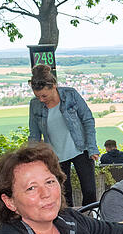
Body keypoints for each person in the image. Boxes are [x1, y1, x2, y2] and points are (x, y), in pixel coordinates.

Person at [27, 64, 100, 207]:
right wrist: (31, 158)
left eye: (44, 95)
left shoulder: (71, 95)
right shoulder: (34, 105)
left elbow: (88, 120)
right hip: (56, 156)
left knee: (90, 191)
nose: (41, 99)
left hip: (81, 149)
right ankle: (70, 224)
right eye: (37, 96)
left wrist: (92, 147)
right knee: (64, 195)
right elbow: (34, 135)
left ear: (53, 86)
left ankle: (90, 220)